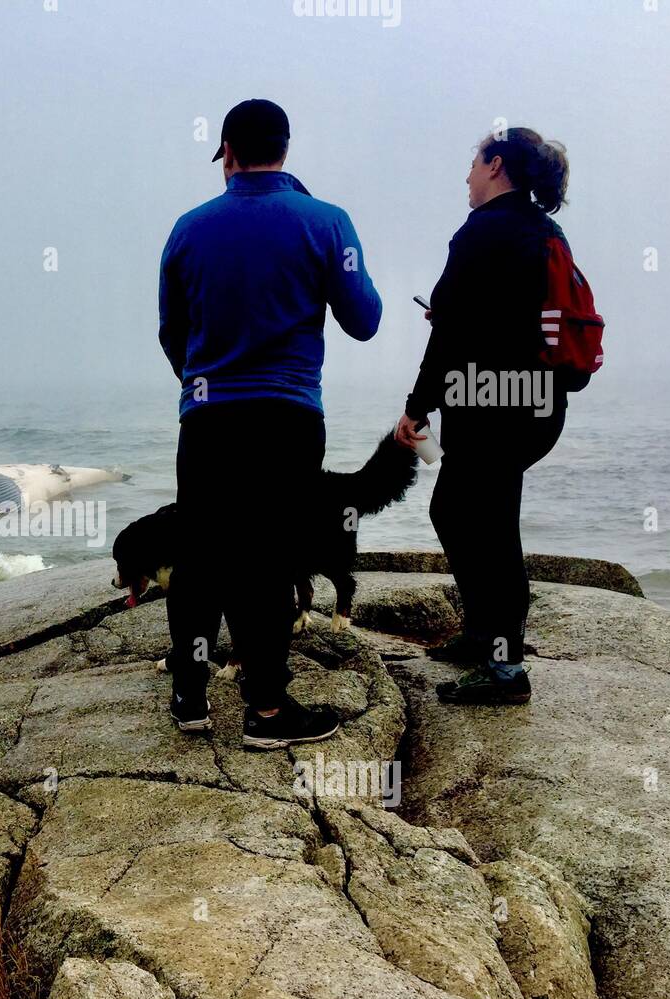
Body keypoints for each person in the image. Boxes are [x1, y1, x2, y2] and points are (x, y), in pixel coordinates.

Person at [158, 99, 381, 748]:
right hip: (286, 417)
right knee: (266, 556)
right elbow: (363, 319)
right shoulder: (326, 221)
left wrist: (201, 385)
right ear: (284, 149)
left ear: (227, 152)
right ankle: (267, 712)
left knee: (198, 554)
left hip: (207, 418)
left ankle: (188, 695)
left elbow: (174, 332)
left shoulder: (188, 230)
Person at [394, 127, 577, 705]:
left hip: (494, 405)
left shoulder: (481, 231)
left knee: (489, 528)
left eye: (473, 164)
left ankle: (505, 671)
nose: (467, 177)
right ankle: (482, 637)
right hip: (535, 404)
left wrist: (416, 406)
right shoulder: (544, 230)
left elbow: (450, 328)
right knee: (461, 512)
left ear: (496, 166)